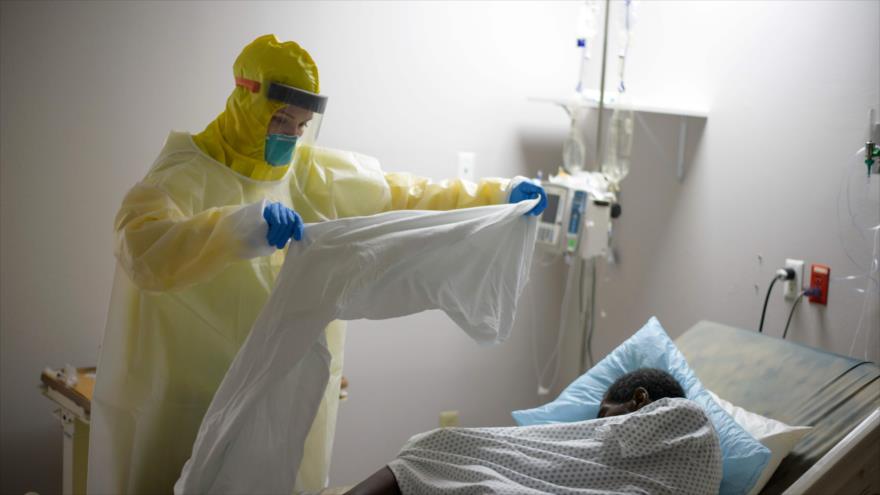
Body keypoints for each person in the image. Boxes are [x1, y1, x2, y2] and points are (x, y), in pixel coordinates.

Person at [88, 34, 546, 495]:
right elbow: (143, 247)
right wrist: (240, 226)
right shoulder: (183, 172)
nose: (290, 134)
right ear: (246, 101)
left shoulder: (309, 175)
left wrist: (496, 195)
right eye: (281, 119)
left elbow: (403, 195)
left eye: (301, 125)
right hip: (188, 392)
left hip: (279, 391)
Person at [345, 368, 720, 495]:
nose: (597, 424)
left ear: (639, 400)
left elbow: (600, 443)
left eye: (604, 414)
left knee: (439, 447)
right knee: (440, 450)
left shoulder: (690, 419)